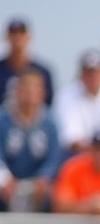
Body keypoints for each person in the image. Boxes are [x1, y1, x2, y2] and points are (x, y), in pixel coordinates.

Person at [0, 70, 60, 211]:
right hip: (8, 181)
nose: (30, 93)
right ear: (17, 91)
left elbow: (54, 158)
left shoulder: (50, 123)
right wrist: (4, 178)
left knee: (54, 195)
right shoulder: (3, 121)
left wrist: (44, 178)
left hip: (39, 183)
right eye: (26, 88)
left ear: (42, 93)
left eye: (35, 88)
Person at [0, 18, 53, 106]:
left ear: (28, 37)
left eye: (21, 33)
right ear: (6, 37)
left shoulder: (42, 71)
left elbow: (48, 105)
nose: (17, 37)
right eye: (13, 33)